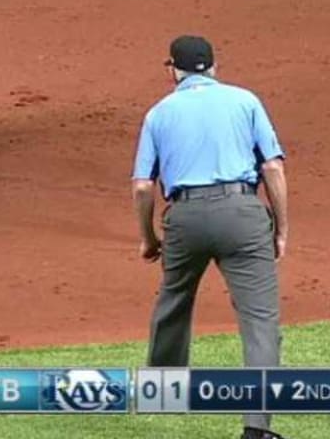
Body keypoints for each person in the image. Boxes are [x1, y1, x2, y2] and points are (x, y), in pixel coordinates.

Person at [132, 36, 290, 439]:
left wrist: (149, 238)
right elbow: (272, 168)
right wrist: (281, 229)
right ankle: (257, 428)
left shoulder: (159, 113)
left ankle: (161, 391)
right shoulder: (245, 101)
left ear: (173, 70)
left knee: (174, 298)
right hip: (243, 215)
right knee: (260, 320)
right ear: (214, 67)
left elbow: (143, 187)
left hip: (184, 218)